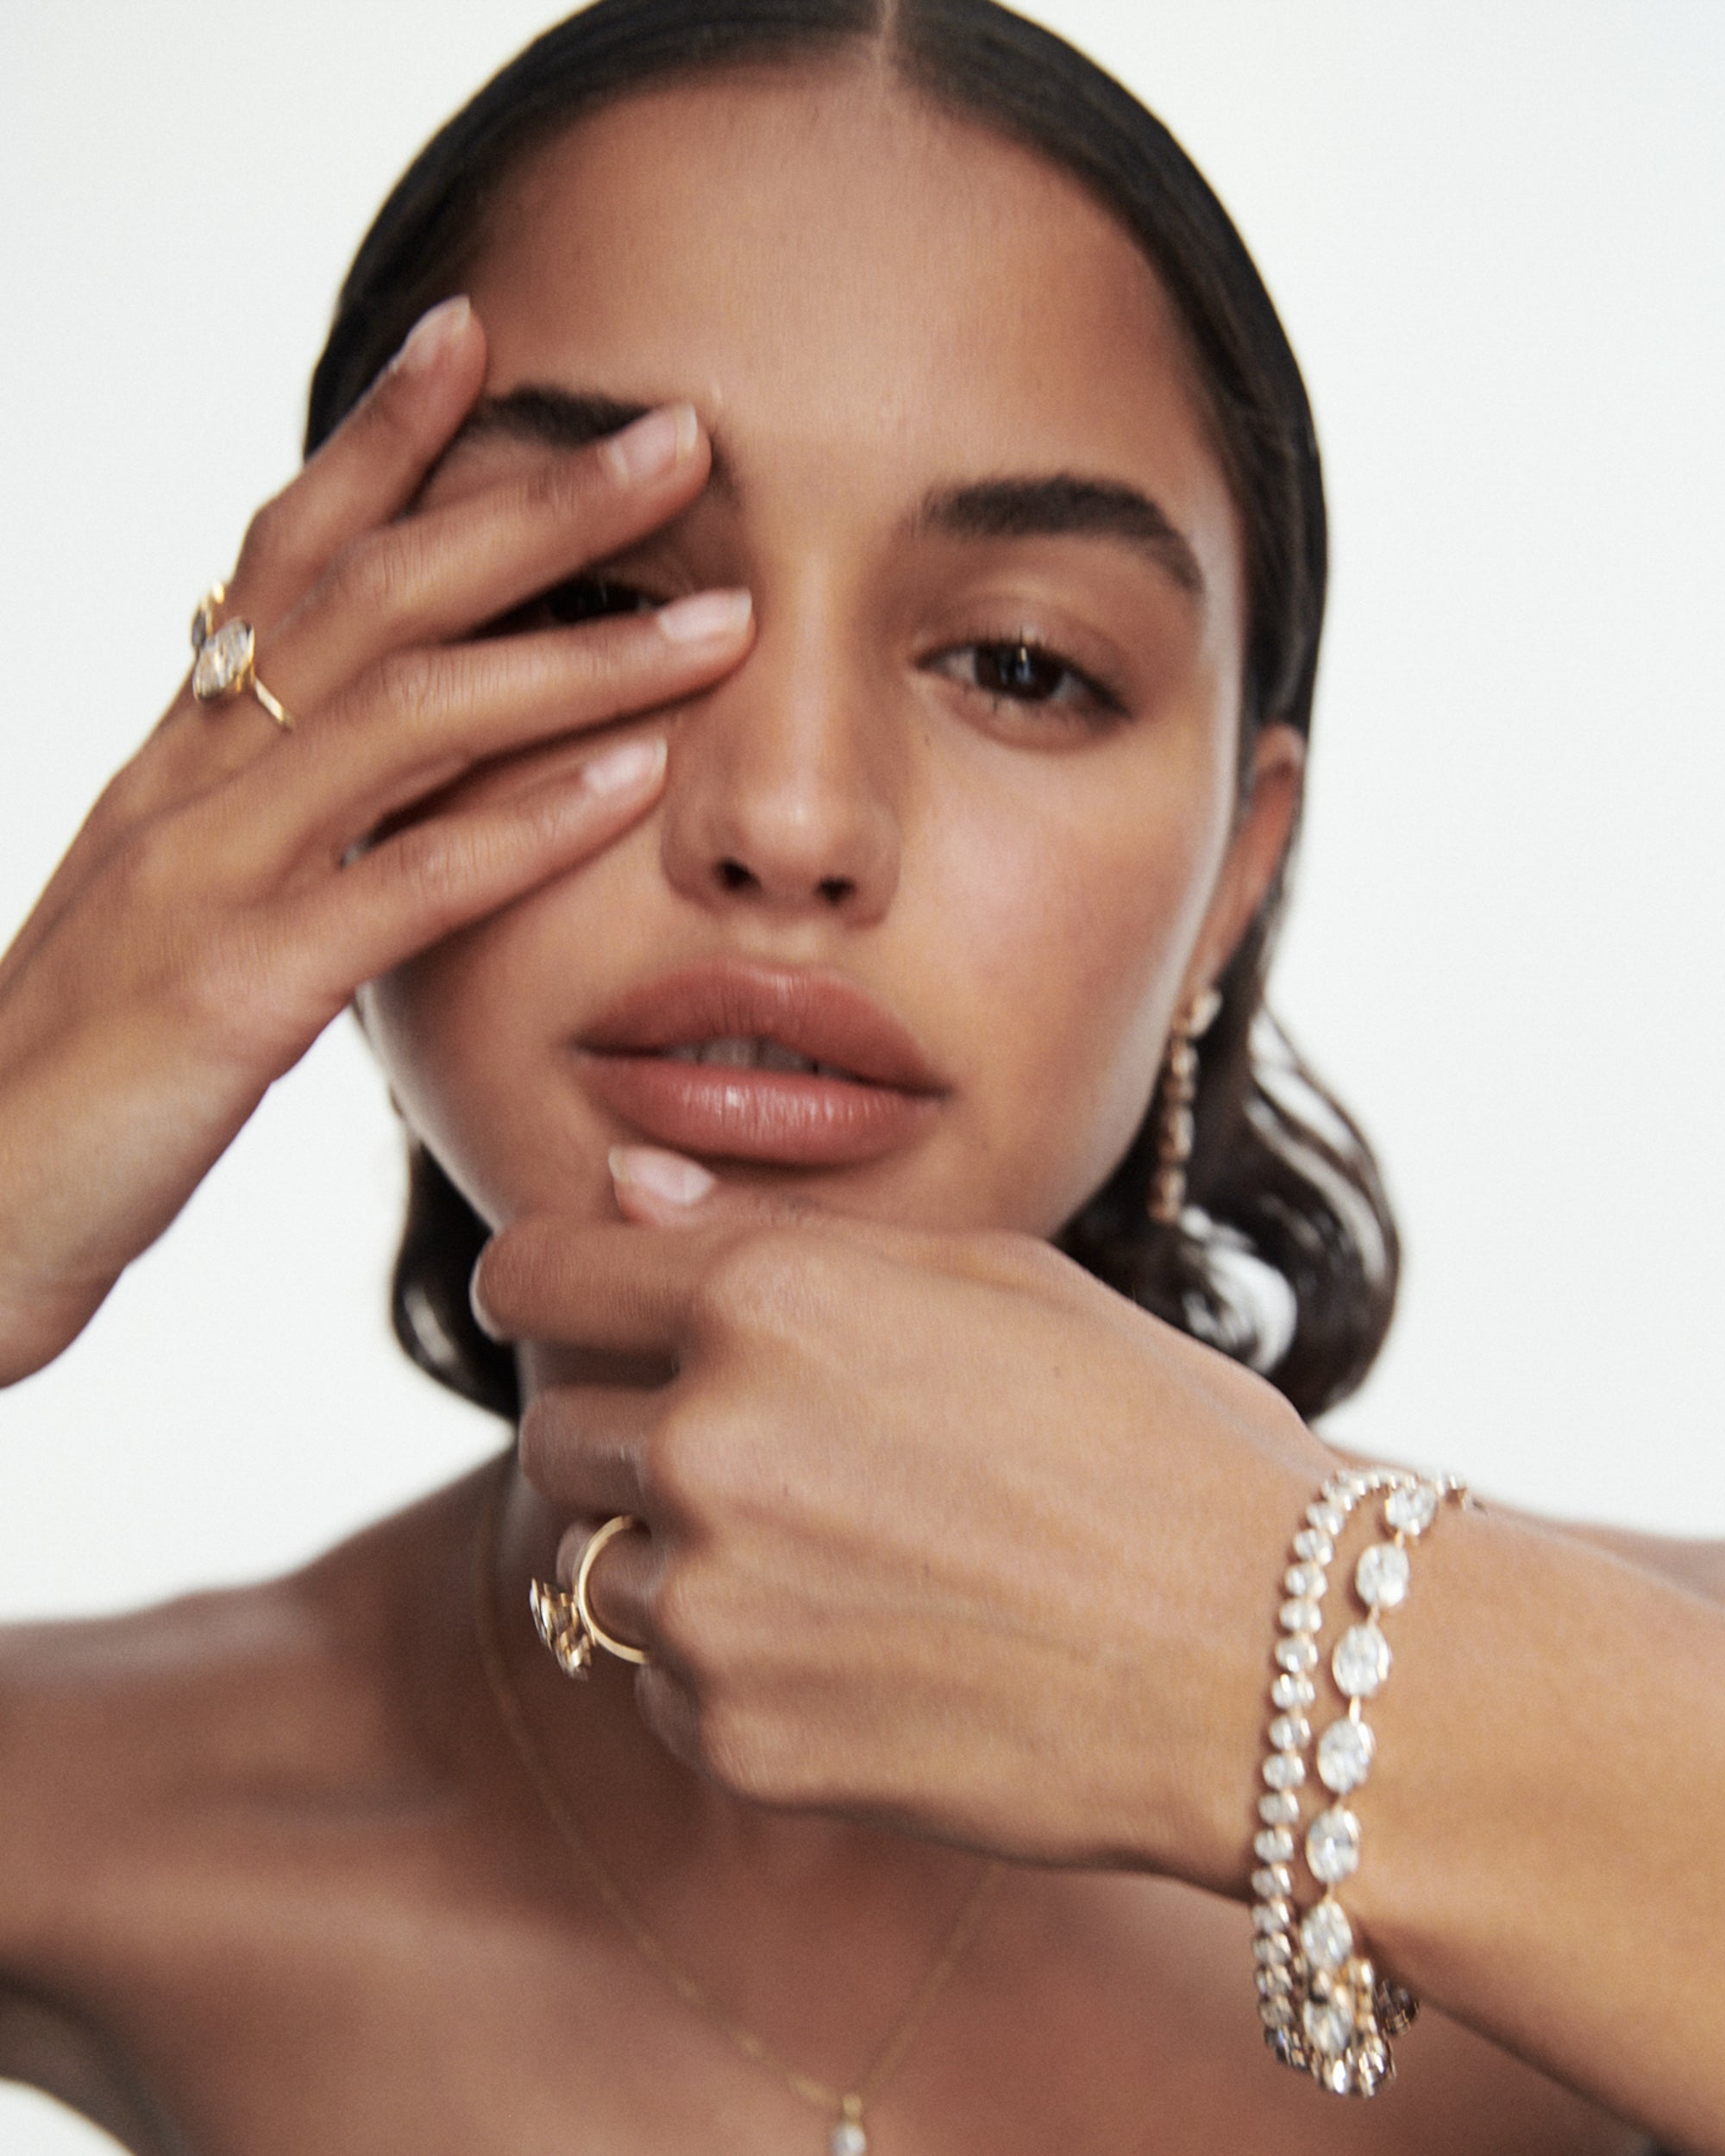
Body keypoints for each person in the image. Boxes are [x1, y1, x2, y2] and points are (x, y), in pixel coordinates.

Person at [0, 2, 1719, 2151]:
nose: (792, 813)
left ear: (1229, 878)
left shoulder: (1671, 1716)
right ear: (317, 754)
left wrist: (1283, 1678)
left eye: (1017, 662)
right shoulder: (80, 1817)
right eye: (596, 596)